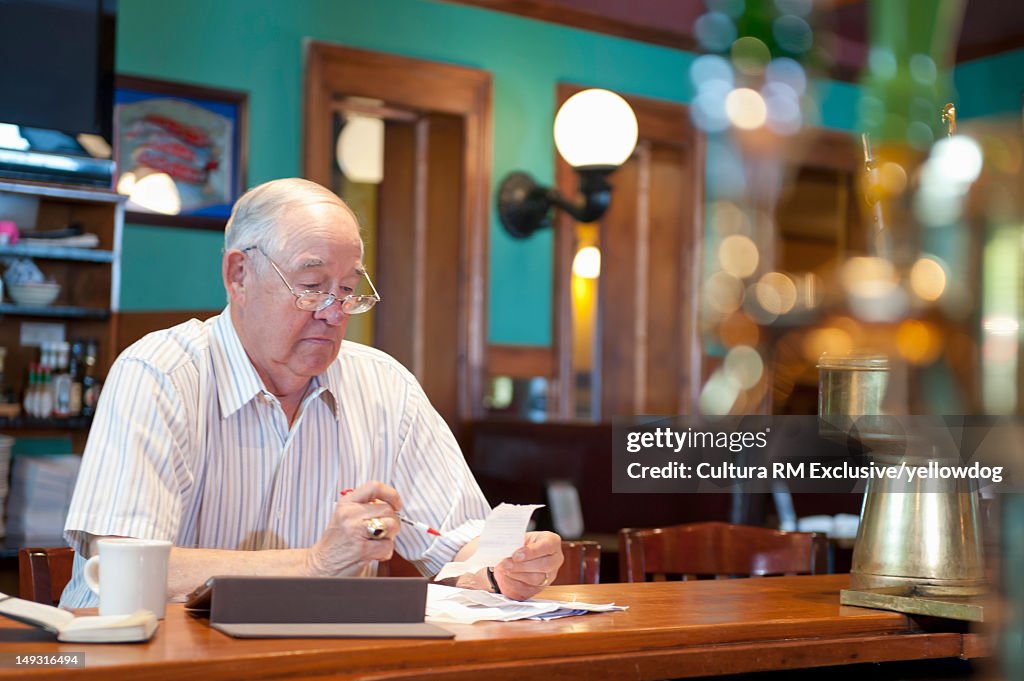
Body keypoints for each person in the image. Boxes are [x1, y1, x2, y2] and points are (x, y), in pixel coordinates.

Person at [60, 178, 562, 608]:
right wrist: (317, 564)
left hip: (314, 660)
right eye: (312, 285)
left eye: (347, 289)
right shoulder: (161, 373)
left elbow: (459, 540)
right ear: (239, 274)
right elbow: (121, 568)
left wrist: (507, 563)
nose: (334, 312)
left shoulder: (385, 387)